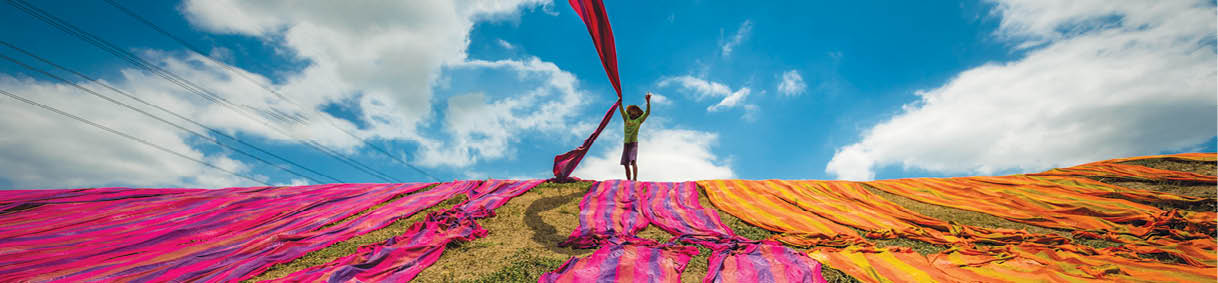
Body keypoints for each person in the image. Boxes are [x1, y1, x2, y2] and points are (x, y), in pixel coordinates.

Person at [619, 93, 651, 181]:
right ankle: (628, 180)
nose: (634, 112)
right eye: (632, 110)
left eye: (636, 111)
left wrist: (648, 102)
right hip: (626, 143)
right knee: (626, 164)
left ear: (638, 113)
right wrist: (620, 103)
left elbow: (647, 113)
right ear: (630, 112)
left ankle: (635, 178)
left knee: (633, 161)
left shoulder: (639, 120)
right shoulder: (626, 118)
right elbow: (621, 110)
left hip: (633, 143)